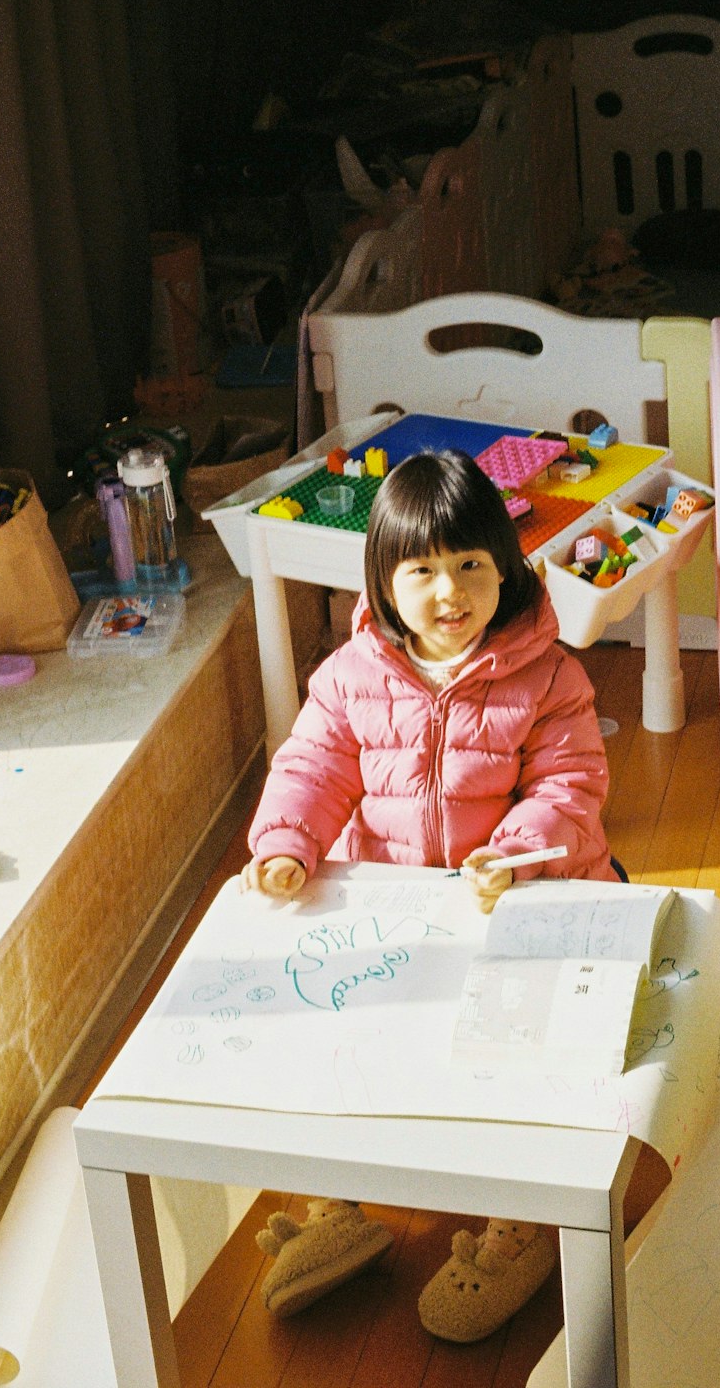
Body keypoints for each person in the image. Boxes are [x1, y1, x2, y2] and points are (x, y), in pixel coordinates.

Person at [243, 448, 623, 1342]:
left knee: (515, 1059)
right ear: (381, 584)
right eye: (422, 572)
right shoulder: (347, 678)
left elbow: (570, 788)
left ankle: (515, 1225)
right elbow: (311, 766)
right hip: (393, 906)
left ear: (507, 571)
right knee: (335, 1034)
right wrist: (288, 845)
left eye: (471, 568)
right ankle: (338, 1205)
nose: (449, 595)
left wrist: (519, 853)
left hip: (521, 908)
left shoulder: (551, 675)